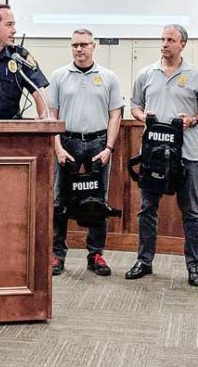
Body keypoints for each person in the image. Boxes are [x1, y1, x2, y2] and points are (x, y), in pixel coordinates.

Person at [125, 24, 198, 286]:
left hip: (186, 155)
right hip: (153, 155)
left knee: (191, 212)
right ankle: (144, 261)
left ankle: (194, 266)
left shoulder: (197, 76)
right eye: (163, 39)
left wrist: (193, 119)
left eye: (170, 40)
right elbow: (135, 106)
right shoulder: (146, 74)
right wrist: (144, 117)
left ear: (182, 45)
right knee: (146, 209)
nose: (164, 44)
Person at [48, 28, 123, 277]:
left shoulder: (109, 76)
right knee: (60, 201)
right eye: (74, 45)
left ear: (94, 46)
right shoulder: (59, 76)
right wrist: (57, 147)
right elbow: (52, 116)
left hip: (98, 144)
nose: (79, 49)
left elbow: (115, 115)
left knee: (97, 202)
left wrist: (108, 148)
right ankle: (57, 254)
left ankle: (96, 254)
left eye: (83, 44)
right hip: (67, 144)